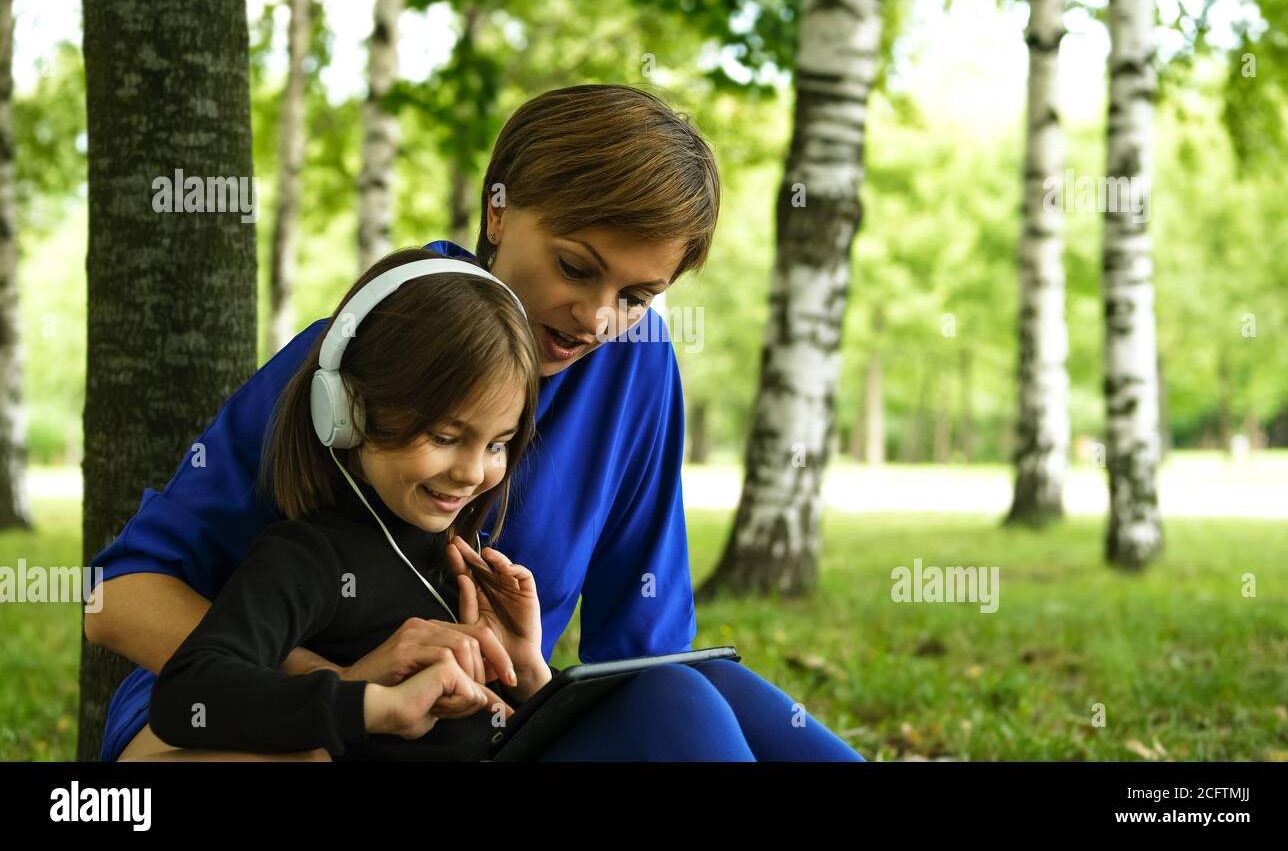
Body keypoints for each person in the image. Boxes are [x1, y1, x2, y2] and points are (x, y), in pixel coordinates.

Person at [86, 83, 865, 761]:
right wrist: (348, 687)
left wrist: (521, 678)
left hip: (476, 733)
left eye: (637, 296)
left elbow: (641, 655)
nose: (598, 318)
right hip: (249, 719)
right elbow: (115, 598)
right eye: (576, 266)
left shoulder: (638, 366)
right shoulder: (376, 345)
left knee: (701, 692)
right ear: (499, 210)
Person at [144, 249, 547, 760]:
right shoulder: (308, 557)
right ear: (347, 410)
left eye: (497, 445)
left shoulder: (460, 562)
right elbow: (188, 695)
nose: (473, 473)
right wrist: (369, 706)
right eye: (445, 437)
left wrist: (527, 669)